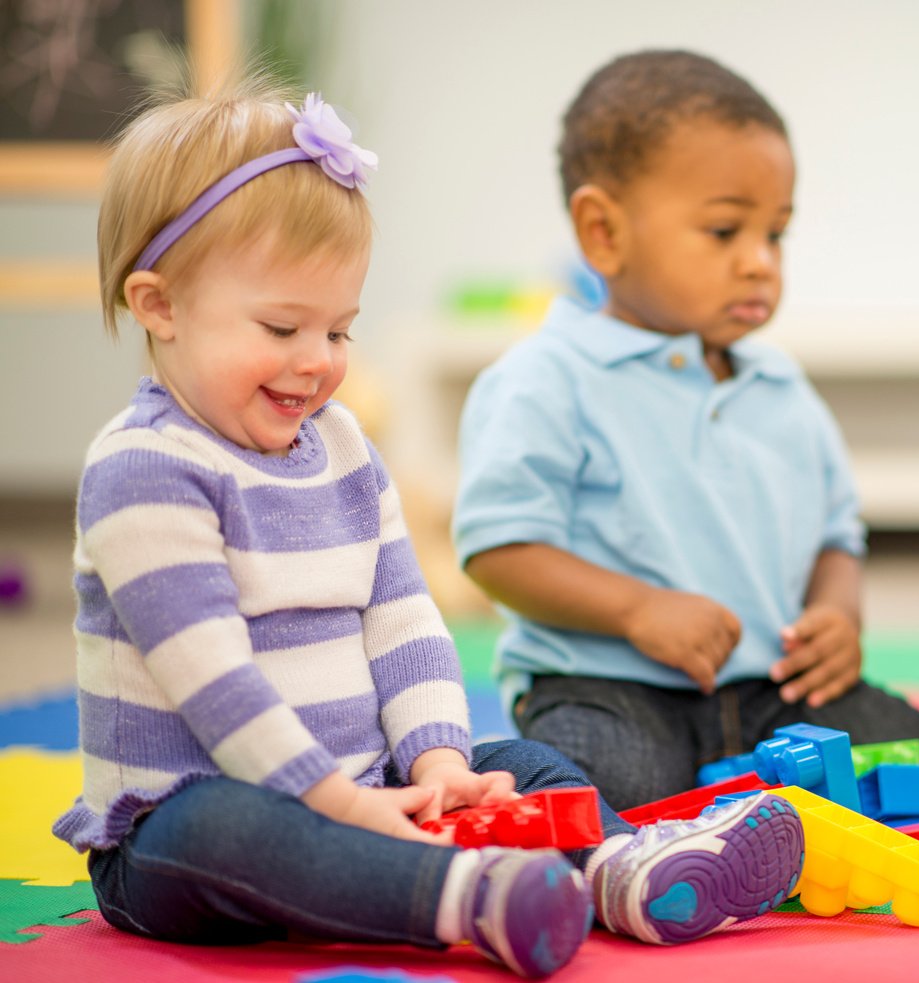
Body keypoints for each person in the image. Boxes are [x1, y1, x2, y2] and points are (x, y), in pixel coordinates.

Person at [53, 73, 804, 980]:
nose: (316, 364)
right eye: (284, 326)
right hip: (183, 822)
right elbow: (214, 683)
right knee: (227, 827)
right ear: (160, 306)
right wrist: (335, 802)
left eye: (339, 332)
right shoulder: (145, 468)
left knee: (521, 760)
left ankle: (619, 869)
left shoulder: (339, 445)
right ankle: (463, 900)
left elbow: (401, 615)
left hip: (369, 787)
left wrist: (439, 762)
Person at [453, 50, 919, 811]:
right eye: (725, 231)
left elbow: (837, 537)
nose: (759, 263)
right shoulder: (546, 378)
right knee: (597, 789)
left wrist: (837, 615)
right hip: (611, 688)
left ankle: (744, 821)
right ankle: (473, 779)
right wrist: (637, 609)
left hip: (774, 696)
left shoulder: (783, 389)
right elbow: (498, 550)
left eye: (776, 234)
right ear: (603, 233)